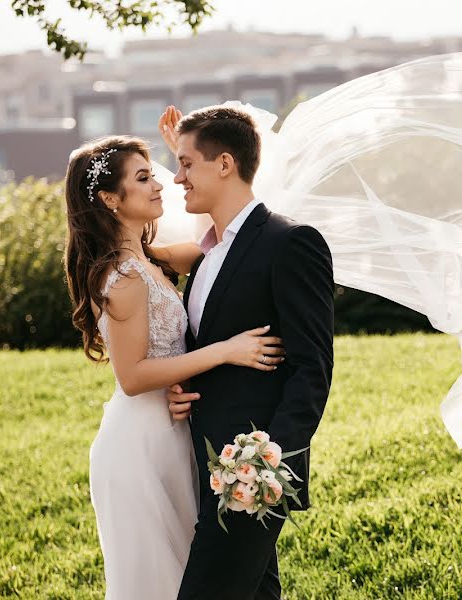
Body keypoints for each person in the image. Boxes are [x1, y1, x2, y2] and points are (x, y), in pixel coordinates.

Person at [62, 135, 287, 599]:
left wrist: (192, 168)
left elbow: (220, 242)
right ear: (109, 198)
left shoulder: (149, 261)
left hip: (170, 434)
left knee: (190, 577)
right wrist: (224, 351)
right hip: (138, 447)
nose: (162, 184)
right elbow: (133, 376)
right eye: (144, 178)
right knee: (156, 584)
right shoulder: (121, 278)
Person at [159, 106, 336, 600]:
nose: (177, 178)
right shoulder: (208, 253)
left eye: (187, 164)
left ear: (225, 164)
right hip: (204, 465)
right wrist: (182, 389)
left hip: (252, 479)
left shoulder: (290, 242)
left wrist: (268, 464)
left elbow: (312, 368)